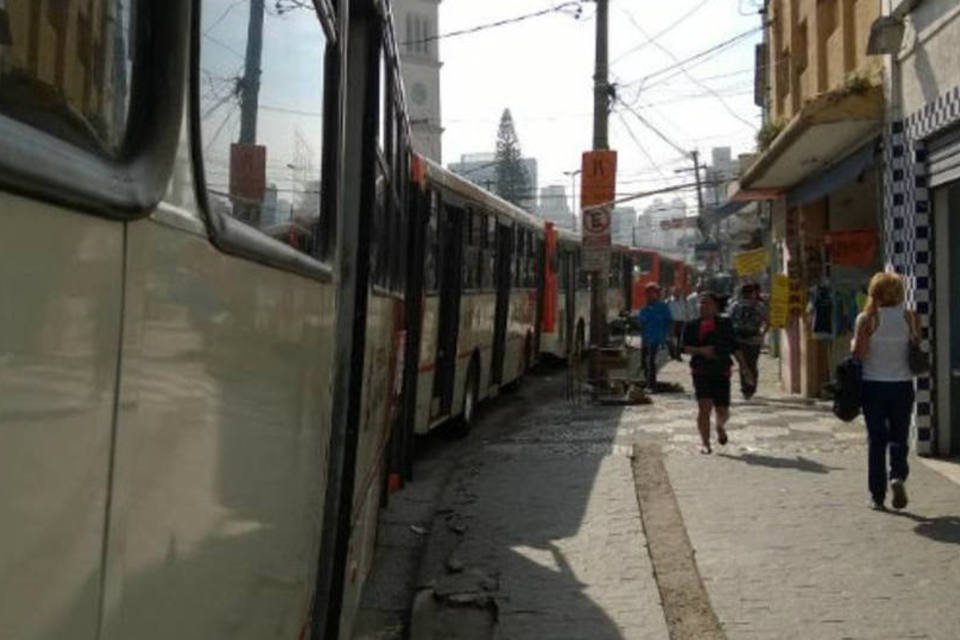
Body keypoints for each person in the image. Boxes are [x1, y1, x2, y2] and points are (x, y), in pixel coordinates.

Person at [851, 272, 917, 511]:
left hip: (874, 385)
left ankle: (877, 496)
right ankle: (897, 475)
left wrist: (855, 342)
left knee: (877, 440)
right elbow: (915, 347)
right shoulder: (910, 318)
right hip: (902, 385)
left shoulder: (867, 319)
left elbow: (859, 354)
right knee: (899, 436)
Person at [682, 292, 736, 454]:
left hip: (721, 370)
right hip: (700, 370)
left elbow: (733, 346)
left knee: (722, 411)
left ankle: (720, 426)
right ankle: (705, 443)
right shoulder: (691, 325)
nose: (702, 306)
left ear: (715, 306)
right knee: (704, 407)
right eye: (700, 303)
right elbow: (683, 347)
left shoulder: (725, 324)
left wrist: (745, 368)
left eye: (707, 303)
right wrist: (701, 351)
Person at [728, 283, 767, 399]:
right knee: (753, 363)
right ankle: (751, 387)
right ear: (753, 293)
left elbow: (729, 320)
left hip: (739, 339)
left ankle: (745, 388)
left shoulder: (735, 305)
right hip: (754, 339)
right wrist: (762, 333)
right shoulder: (759, 306)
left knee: (743, 364)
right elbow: (767, 321)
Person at [633, 283, 673, 390]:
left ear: (657, 294)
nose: (650, 296)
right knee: (645, 362)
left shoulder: (663, 307)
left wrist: (666, 337)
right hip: (646, 339)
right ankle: (648, 383)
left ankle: (652, 385)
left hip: (658, 339)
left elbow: (668, 322)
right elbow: (641, 324)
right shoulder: (644, 309)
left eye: (652, 293)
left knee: (652, 361)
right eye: (648, 293)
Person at [666, 286, 688, 361]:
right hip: (672, 322)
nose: (677, 293)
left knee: (679, 339)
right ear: (673, 292)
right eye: (675, 291)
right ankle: (672, 353)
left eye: (678, 291)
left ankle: (678, 355)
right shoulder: (668, 301)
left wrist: (686, 319)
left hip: (681, 321)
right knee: (670, 339)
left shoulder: (684, 301)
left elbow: (686, 310)